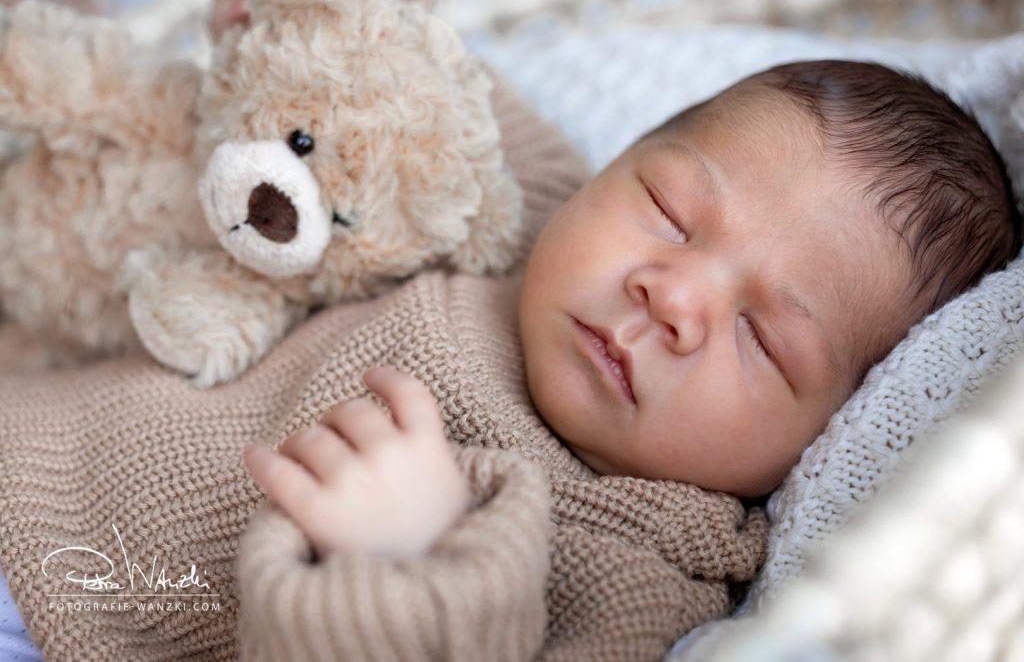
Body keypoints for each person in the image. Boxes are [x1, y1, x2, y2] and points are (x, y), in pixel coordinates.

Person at [237, 59, 1021, 659]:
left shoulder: (645, 569)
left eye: (761, 337)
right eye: (670, 213)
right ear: (617, 161)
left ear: (820, 441)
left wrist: (418, 562)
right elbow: (424, 90)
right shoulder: (527, 207)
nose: (672, 296)